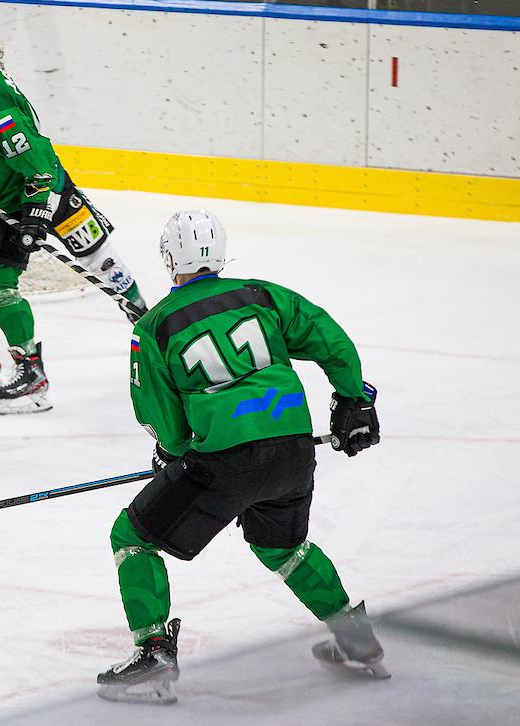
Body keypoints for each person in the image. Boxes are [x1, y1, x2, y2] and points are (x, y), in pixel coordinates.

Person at [98, 209, 385, 704]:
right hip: (293, 450)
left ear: (170, 259)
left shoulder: (154, 327)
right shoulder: (261, 295)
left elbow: (159, 414)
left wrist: (173, 451)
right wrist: (354, 401)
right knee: (284, 548)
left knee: (132, 537)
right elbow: (331, 340)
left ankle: (153, 652)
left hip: (223, 460)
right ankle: (354, 634)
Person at [0, 26, 148, 415]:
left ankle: (139, 321)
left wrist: (37, 216)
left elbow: (40, 168)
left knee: (98, 262)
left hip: (39, 191)